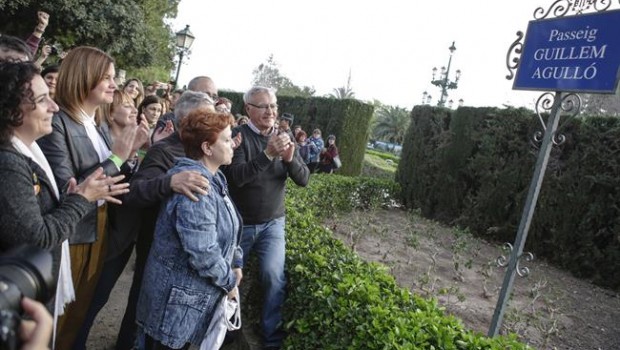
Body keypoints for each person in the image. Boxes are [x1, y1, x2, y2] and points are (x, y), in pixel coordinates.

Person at [0, 61, 129, 347]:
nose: (54, 107)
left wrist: (73, 195)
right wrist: (82, 198)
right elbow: (38, 237)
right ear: (13, 110)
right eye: (43, 99)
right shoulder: (9, 164)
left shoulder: (27, 151)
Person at [37, 46, 142, 350]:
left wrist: (129, 157)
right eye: (106, 78)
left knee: (77, 320)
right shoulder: (58, 123)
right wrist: (117, 157)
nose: (114, 85)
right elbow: (66, 187)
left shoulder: (95, 126)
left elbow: (111, 177)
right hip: (70, 237)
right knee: (56, 323)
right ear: (85, 78)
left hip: (95, 232)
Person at [136, 108, 243, 349]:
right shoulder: (196, 184)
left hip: (187, 300)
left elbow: (232, 224)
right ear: (207, 148)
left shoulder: (215, 178)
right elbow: (203, 251)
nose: (232, 145)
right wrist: (229, 283)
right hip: (174, 304)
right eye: (226, 140)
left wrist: (237, 261)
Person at [116, 91, 214, 350]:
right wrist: (170, 182)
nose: (214, 123)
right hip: (156, 250)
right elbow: (134, 192)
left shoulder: (203, 150)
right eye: (208, 118)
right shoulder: (164, 150)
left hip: (180, 257)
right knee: (141, 309)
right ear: (187, 122)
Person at [224, 86, 310, 350]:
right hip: (240, 224)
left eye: (273, 106)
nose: (270, 112)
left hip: (273, 223)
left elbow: (303, 179)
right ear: (248, 108)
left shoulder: (285, 138)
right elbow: (236, 178)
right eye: (263, 106)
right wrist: (268, 155)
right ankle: (225, 334)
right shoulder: (237, 136)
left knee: (274, 277)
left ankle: (271, 340)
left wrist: (290, 160)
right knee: (227, 280)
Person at [71, 90, 150, 350]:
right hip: (100, 231)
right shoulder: (101, 136)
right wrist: (124, 159)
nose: (133, 109)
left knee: (98, 297)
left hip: (119, 233)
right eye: (126, 105)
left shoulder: (130, 140)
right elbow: (100, 179)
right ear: (110, 111)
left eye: (133, 105)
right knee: (87, 299)